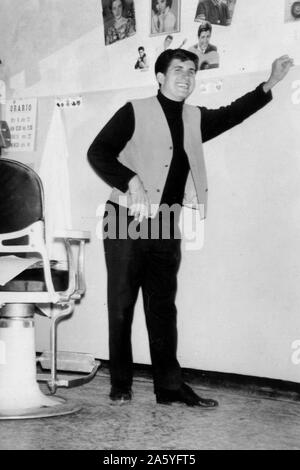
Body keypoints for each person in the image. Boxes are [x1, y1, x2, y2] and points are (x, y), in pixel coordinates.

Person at [88, 49, 293, 407]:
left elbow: (232, 114)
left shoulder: (194, 118)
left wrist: (270, 82)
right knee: (121, 305)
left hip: (167, 220)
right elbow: (98, 151)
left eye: (192, 71)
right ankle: (121, 382)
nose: (186, 76)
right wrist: (129, 180)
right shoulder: (133, 110)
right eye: (178, 69)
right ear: (159, 77)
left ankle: (169, 387)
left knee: (163, 307)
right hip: (124, 218)